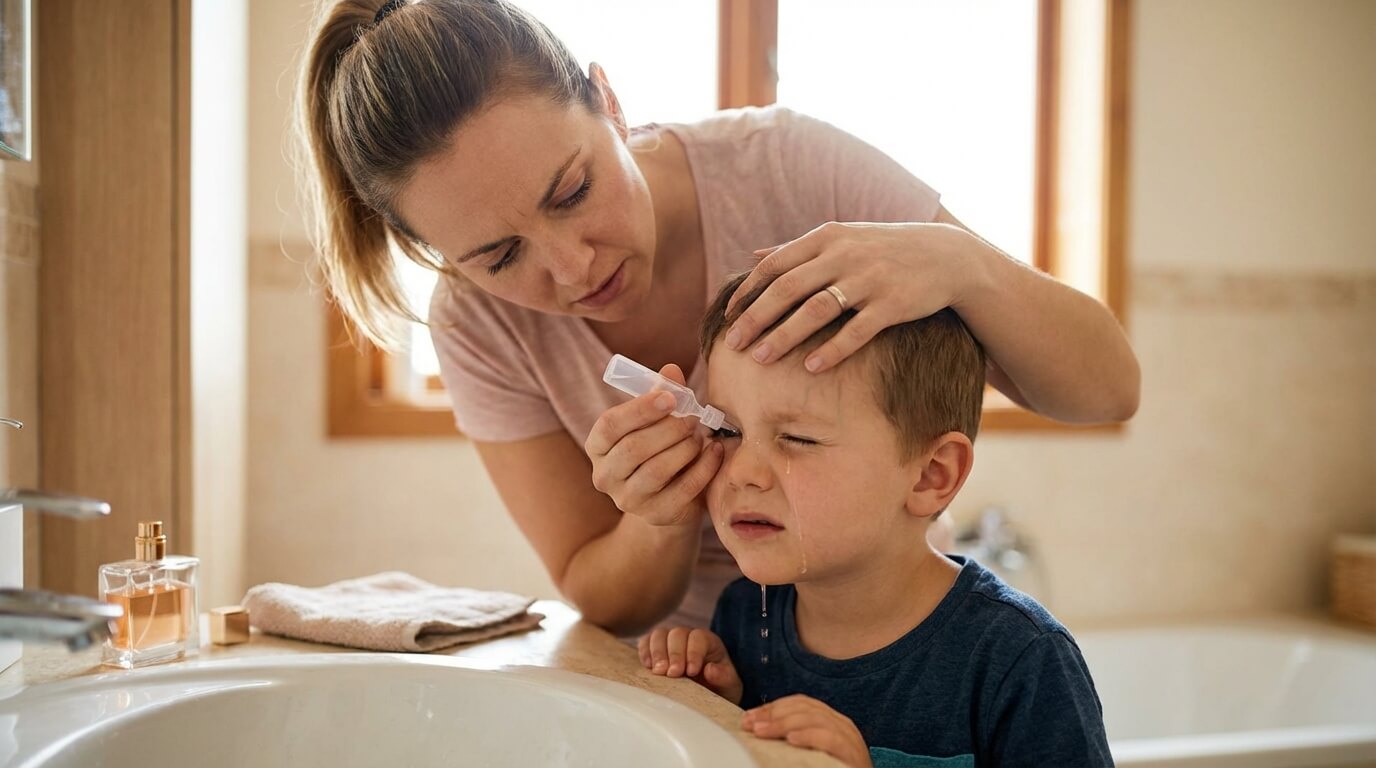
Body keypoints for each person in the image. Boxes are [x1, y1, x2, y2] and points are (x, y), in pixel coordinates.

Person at [297, 0, 1141, 635]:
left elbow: (1108, 390)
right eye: (499, 257)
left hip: (888, 636)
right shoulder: (478, 325)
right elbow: (604, 598)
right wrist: (656, 516)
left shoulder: (790, 169)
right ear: (437, 252)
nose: (573, 267)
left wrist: (959, 265)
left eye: (574, 191)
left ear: (608, 101)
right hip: (689, 672)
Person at [639, 271, 1113, 767]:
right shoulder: (742, 613)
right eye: (727, 429)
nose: (741, 472)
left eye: (799, 439)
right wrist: (717, 709)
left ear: (931, 475)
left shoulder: (1020, 658)